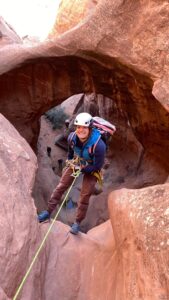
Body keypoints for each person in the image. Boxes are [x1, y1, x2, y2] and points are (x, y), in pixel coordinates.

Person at [38, 112, 106, 235]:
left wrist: (82, 168)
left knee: (84, 196)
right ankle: (47, 212)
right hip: (77, 161)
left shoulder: (99, 145)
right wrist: (70, 161)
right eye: (78, 127)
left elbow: (97, 166)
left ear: (90, 128)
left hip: (92, 168)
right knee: (60, 187)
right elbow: (71, 151)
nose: (80, 130)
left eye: (84, 127)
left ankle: (77, 223)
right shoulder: (72, 138)